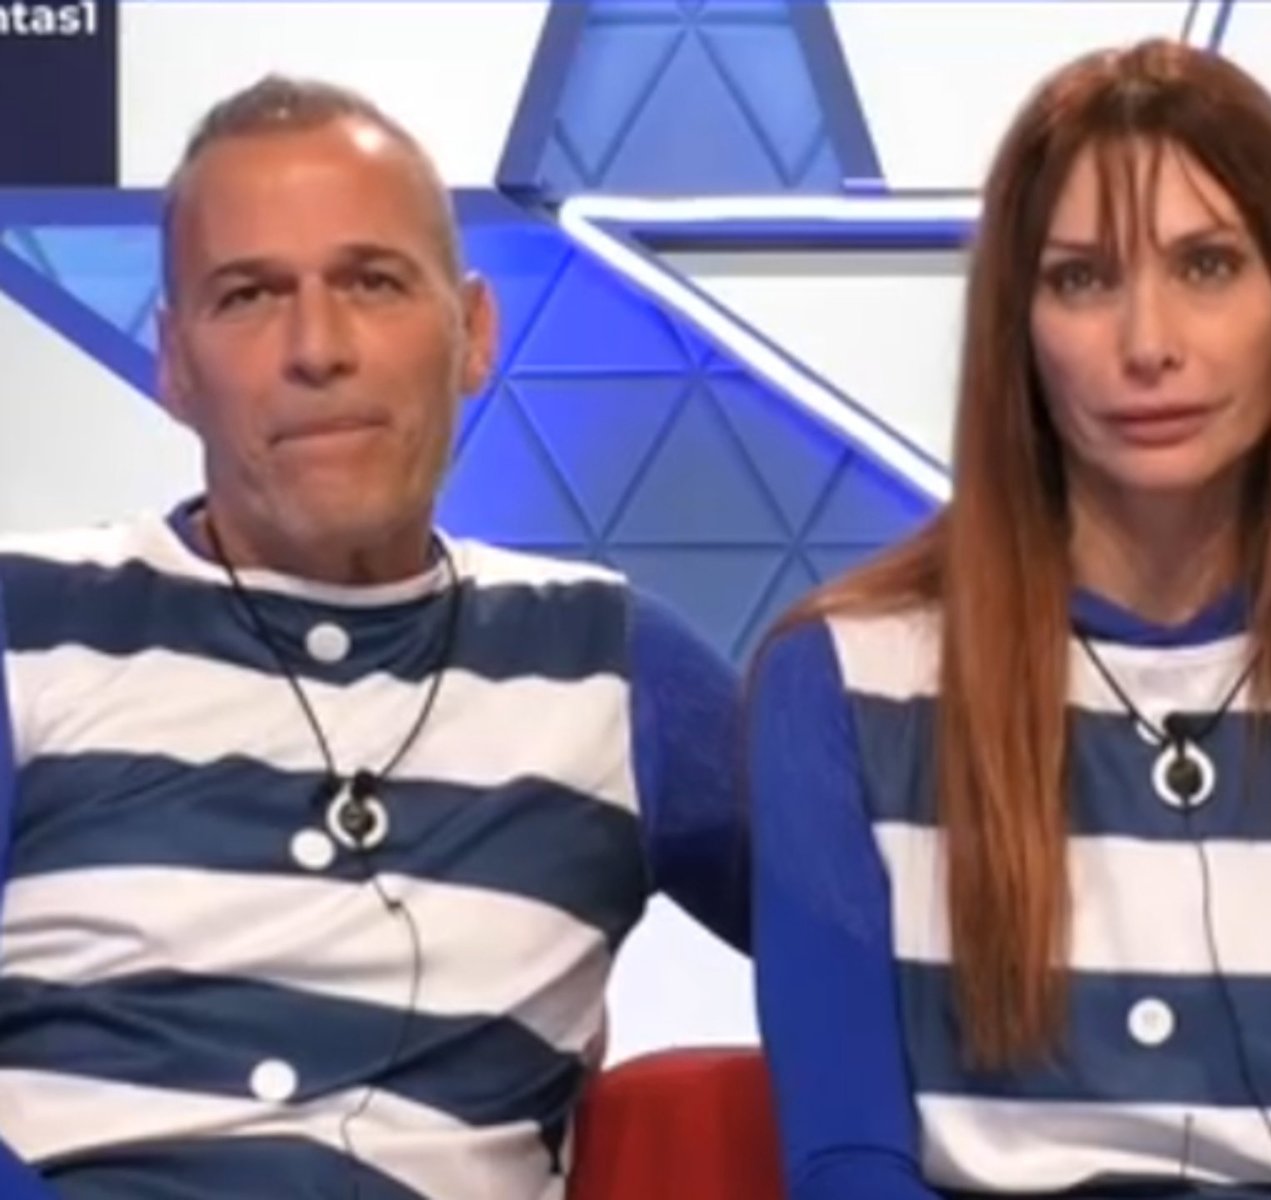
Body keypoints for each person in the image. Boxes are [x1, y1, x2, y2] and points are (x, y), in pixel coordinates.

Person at [747, 38, 1271, 1200]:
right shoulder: (843, 682)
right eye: (1082, 280)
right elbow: (847, 1169)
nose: (1147, 344)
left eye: (1206, 265)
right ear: (1016, 328)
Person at [0, 76, 747, 1198]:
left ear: (473, 333)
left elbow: (930, 972)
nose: (318, 347)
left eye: (373, 282)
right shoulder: (27, 618)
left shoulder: (614, 663)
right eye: (249, 296)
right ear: (175, 363)